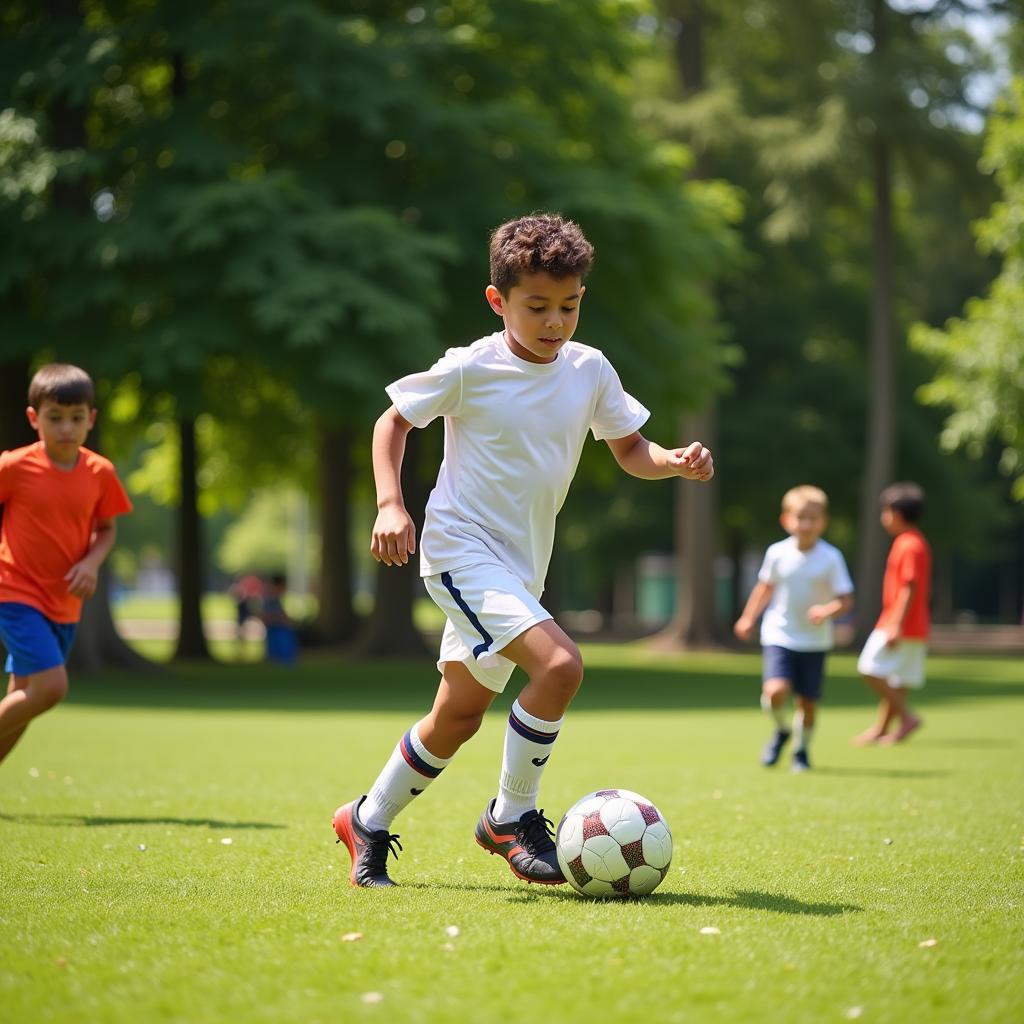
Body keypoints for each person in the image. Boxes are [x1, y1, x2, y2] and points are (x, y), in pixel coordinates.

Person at [332, 213, 714, 888]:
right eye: (536, 307)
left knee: (459, 715)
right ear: (496, 301)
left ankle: (367, 817)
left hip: (519, 568)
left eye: (567, 307)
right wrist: (391, 504)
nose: (553, 322)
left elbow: (630, 448)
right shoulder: (470, 368)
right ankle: (511, 816)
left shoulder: (589, 369)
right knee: (561, 666)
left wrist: (672, 462)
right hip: (459, 551)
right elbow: (393, 420)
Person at [0, 363, 133, 766]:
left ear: (91, 419)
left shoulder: (100, 473)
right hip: (16, 591)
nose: (66, 428)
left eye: (76, 418)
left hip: (65, 602)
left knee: (23, 699)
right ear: (33, 418)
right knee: (51, 687)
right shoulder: (14, 466)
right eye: (54, 418)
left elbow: (106, 529)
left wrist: (91, 563)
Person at [734, 485, 854, 773]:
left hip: (814, 641)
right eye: (800, 517)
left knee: (807, 703)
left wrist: (827, 611)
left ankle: (801, 751)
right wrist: (748, 617)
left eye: (813, 518)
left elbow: (846, 600)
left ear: (823, 521)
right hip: (780, 634)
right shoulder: (777, 553)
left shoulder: (831, 557)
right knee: (775, 690)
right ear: (786, 520)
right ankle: (782, 730)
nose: (806, 524)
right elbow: (765, 588)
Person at [852, 482, 931, 746]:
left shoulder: (908, 545)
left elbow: (909, 587)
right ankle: (882, 728)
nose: (883, 518)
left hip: (899, 624)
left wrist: (895, 624)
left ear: (896, 513)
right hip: (915, 626)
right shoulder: (914, 541)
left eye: (885, 511)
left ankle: (907, 717)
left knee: (868, 668)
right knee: (898, 682)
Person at [261, 572, 297, 665]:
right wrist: (283, 620)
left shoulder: (273, 597)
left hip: (276, 626)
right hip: (276, 626)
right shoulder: (271, 597)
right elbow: (268, 614)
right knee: (280, 648)